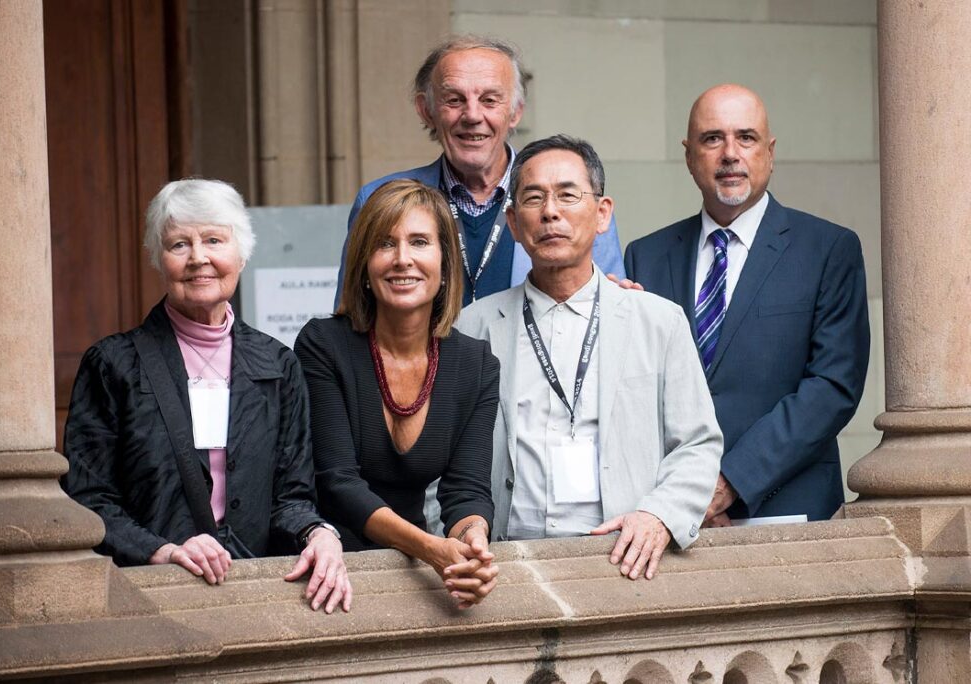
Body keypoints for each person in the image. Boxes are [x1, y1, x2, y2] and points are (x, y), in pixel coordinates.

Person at [62, 179, 351, 613]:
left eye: (214, 240)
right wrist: (160, 550)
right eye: (179, 244)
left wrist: (320, 533)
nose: (199, 258)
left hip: (256, 598)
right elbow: (88, 499)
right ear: (159, 259)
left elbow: (292, 498)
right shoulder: (112, 365)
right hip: (152, 597)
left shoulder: (278, 365)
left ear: (241, 252)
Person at [457, 135, 722, 580]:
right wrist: (458, 532)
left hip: (624, 559)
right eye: (534, 198)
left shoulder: (658, 322)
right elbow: (443, 455)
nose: (550, 212)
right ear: (513, 223)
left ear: (602, 214)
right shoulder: (474, 327)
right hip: (506, 561)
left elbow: (697, 444)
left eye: (567, 195)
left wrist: (658, 516)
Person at [625, 84, 870, 525]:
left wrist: (727, 485)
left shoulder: (828, 249)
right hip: (671, 518)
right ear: (688, 154)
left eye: (746, 137)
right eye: (712, 138)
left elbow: (833, 387)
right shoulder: (646, 256)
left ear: (770, 153)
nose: (730, 154)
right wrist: (681, 496)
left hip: (788, 510)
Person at [295, 179, 500, 609]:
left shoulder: (476, 364)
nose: (402, 259)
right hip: (326, 572)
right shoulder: (323, 345)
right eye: (385, 244)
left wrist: (472, 542)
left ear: (445, 264)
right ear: (365, 266)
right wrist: (431, 550)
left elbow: (466, 490)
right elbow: (338, 484)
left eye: (420, 242)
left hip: (413, 575)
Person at [333, 35, 625, 308]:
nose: (472, 116)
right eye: (454, 100)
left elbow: (603, 313)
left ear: (516, 111)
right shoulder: (377, 200)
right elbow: (352, 319)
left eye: (489, 100)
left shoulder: (578, 203)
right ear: (426, 110)